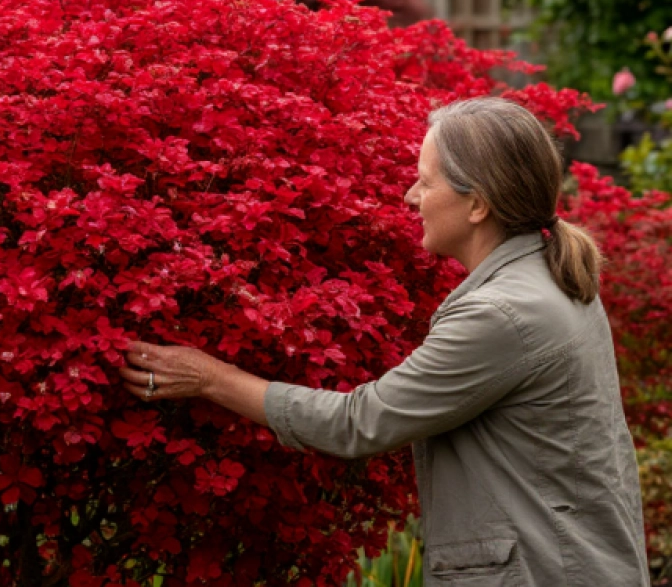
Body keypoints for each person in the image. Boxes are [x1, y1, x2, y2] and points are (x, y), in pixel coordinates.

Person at [120, 98, 649, 585]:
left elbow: (358, 423)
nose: (410, 196)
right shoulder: (546, 272)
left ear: (477, 206)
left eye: (425, 182)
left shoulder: (502, 312)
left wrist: (212, 378)